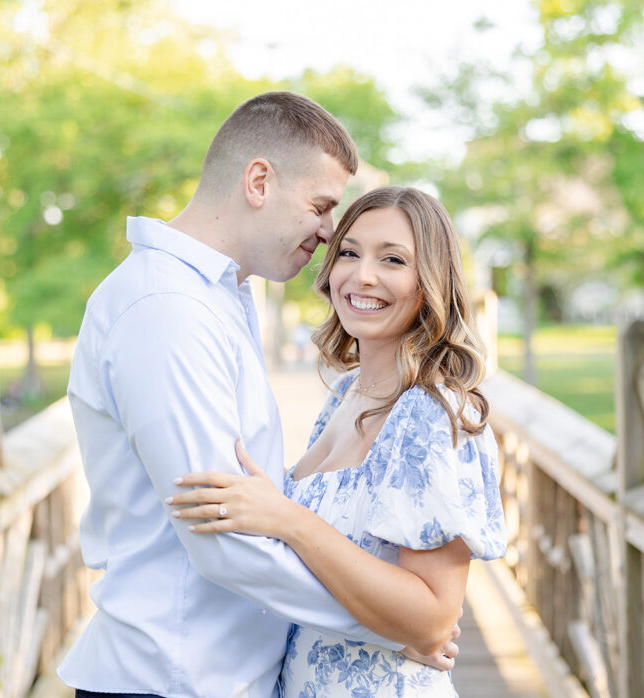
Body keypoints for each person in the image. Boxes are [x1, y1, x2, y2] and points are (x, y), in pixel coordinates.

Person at [59, 93, 456, 698]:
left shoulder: (214, 300)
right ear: (259, 181)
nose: (329, 234)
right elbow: (224, 540)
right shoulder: (167, 310)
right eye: (321, 207)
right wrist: (388, 627)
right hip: (174, 677)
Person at [168, 186, 507, 697]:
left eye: (393, 259)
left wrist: (287, 518)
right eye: (349, 252)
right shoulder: (347, 393)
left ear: (430, 283)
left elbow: (434, 618)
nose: (362, 275)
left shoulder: (431, 413)